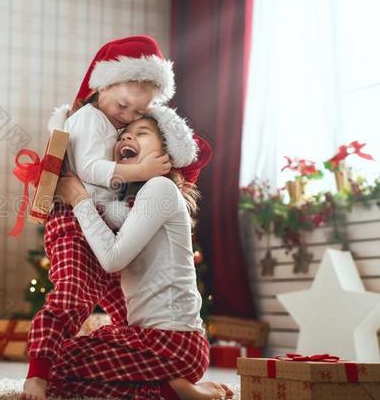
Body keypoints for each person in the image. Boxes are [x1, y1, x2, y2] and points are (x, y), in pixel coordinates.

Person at [22, 35, 178, 400]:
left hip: (104, 227)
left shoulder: (113, 123)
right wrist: (140, 170)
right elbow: (90, 169)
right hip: (74, 225)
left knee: (133, 305)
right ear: (103, 84)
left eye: (139, 113)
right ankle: (39, 374)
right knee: (72, 296)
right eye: (124, 104)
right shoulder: (89, 118)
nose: (128, 115)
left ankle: (143, 374)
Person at [47, 107, 234, 400]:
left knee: (59, 363)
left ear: (166, 155)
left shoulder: (160, 188)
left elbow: (112, 259)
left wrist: (79, 199)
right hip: (154, 341)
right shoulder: (133, 202)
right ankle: (170, 389)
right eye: (125, 135)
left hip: (172, 343)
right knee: (60, 373)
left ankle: (177, 391)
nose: (128, 137)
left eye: (142, 133)